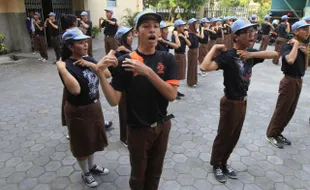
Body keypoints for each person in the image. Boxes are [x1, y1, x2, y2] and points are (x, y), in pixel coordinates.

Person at [96, 9, 178, 189]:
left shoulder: (167, 58)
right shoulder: (126, 61)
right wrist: (100, 74)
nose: (153, 30)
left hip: (162, 126)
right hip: (138, 130)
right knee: (138, 176)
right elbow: (113, 100)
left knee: (155, 173)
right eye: (146, 26)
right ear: (136, 32)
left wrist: (148, 72)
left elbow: (171, 95)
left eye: (156, 26)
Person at [200, 18, 277, 183]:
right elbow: (204, 67)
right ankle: (216, 165)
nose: (252, 35)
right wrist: (214, 48)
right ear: (236, 36)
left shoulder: (250, 54)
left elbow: (275, 54)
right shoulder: (229, 56)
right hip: (230, 102)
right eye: (247, 32)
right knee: (224, 135)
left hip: (243, 101)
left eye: (253, 31)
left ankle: (224, 162)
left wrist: (251, 54)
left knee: (234, 136)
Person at [56, 27, 110, 188]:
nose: (85, 44)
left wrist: (89, 63)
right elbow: (75, 90)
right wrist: (61, 69)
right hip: (77, 110)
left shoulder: (89, 60)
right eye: (80, 42)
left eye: (85, 41)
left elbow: (106, 74)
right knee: (81, 144)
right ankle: (85, 172)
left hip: (94, 106)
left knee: (92, 139)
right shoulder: (66, 66)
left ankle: (91, 167)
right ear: (70, 46)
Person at [266, 20, 309, 148]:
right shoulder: (288, 45)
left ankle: (278, 133)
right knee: (282, 109)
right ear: (296, 31)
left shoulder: (302, 47)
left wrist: (306, 54)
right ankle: (271, 134)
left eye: (308, 29)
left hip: (298, 81)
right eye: (305, 29)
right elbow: (290, 60)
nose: (308, 32)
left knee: (290, 110)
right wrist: (295, 45)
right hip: (289, 80)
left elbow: (304, 69)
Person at [113, 26, 134, 146]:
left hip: (131, 86)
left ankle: (130, 134)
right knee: (124, 111)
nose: (132, 38)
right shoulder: (118, 52)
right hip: (122, 88)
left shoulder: (128, 49)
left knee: (131, 111)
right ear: (122, 39)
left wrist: (128, 52)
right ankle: (124, 137)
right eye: (129, 36)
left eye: (131, 35)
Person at [172, 19, 191, 99]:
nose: (184, 27)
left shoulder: (182, 34)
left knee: (180, 75)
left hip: (183, 55)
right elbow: (177, 45)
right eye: (182, 26)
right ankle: (174, 91)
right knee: (177, 74)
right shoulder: (174, 35)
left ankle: (176, 90)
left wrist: (183, 36)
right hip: (178, 55)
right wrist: (177, 36)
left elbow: (189, 44)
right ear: (177, 27)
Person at [187, 18, 199, 87]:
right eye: (196, 24)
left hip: (195, 51)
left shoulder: (194, 32)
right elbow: (191, 43)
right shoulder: (190, 33)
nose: (197, 25)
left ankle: (194, 80)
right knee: (192, 66)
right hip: (192, 51)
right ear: (192, 25)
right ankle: (191, 82)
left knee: (194, 66)